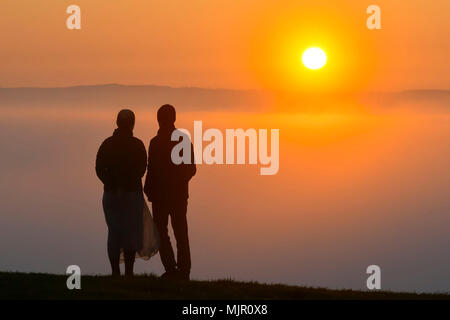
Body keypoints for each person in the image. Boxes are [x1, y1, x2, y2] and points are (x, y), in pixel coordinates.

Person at [144, 104, 196, 280]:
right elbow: (191, 169)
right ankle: (183, 271)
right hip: (178, 195)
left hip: (161, 195)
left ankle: (172, 269)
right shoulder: (183, 140)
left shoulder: (155, 142)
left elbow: (151, 169)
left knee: (163, 231)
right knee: (180, 232)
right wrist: (180, 182)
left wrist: (149, 188)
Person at [95, 109, 147, 277]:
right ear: (133, 124)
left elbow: (99, 169)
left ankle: (115, 271)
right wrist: (126, 184)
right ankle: (129, 272)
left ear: (117, 123)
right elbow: (141, 169)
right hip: (132, 194)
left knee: (114, 232)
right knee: (131, 233)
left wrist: (111, 183)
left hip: (111, 194)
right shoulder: (137, 145)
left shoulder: (107, 144)